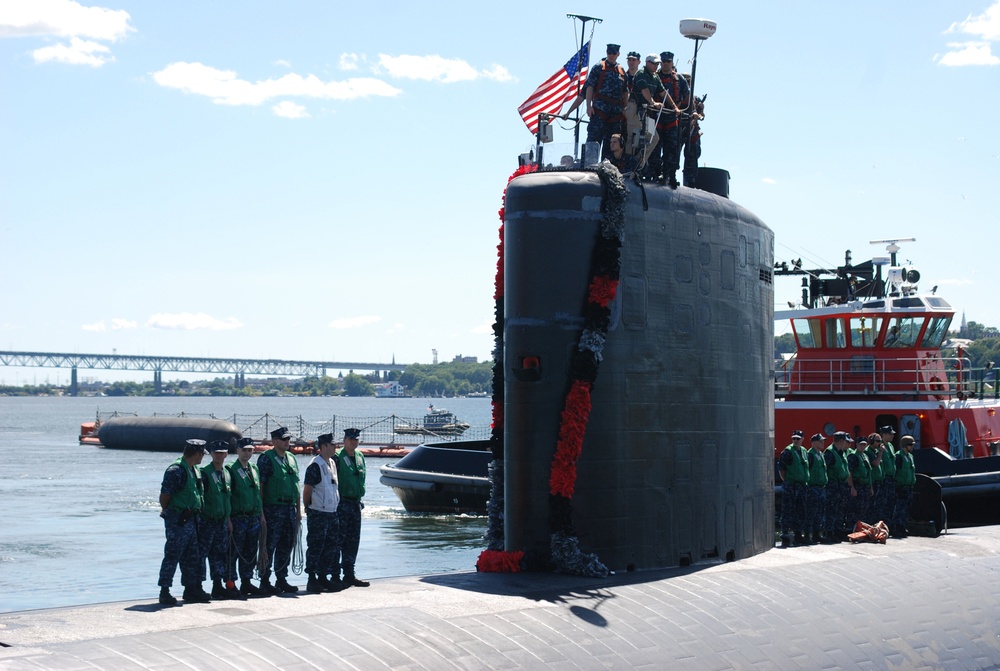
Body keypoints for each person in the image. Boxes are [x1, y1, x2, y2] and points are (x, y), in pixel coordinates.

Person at [157, 438, 211, 605]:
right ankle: (165, 590)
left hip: (191, 519)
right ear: (196, 453)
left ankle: (191, 589)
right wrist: (170, 512)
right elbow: (165, 496)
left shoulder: (193, 469)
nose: (203, 457)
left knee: (192, 557)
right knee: (173, 555)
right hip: (178, 520)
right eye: (202, 454)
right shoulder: (176, 470)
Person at [257, 426, 301, 594]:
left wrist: (298, 510)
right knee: (269, 546)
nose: (287, 442)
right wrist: (261, 513)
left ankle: (281, 579)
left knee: (287, 545)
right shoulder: (266, 459)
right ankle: (264, 579)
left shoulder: (291, 458)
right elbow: (261, 487)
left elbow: (296, 485)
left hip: (289, 509)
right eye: (283, 439)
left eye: (288, 439)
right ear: (274, 441)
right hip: (272, 509)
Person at [303, 433, 343, 593]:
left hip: (332, 513)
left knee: (330, 547)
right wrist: (308, 508)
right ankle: (312, 579)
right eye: (332, 445)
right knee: (316, 546)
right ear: (324, 446)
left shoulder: (332, 463)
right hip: (318, 513)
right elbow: (307, 490)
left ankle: (323, 577)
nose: (335, 447)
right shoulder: (315, 465)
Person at [200, 439, 239, 600]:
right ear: (211, 454)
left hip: (222, 521)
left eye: (222, 453)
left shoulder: (227, 474)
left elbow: (227, 499)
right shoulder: (204, 473)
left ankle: (217, 586)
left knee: (220, 555)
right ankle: (197, 586)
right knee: (202, 555)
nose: (219, 456)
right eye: (216, 453)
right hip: (207, 521)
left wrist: (229, 520)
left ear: (226, 454)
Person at [228, 436, 265, 597]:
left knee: (250, 552)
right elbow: (227, 496)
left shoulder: (254, 469)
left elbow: (258, 494)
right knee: (234, 552)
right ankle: (230, 583)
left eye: (250, 450)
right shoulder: (231, 469)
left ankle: (246, 581)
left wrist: (262, 515)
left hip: (254, 516)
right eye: (244, 450)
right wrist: (228, 519)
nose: (247, 453)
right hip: (238, 517)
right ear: (237, 450)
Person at [580, 43, 628, 159]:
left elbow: (625, 92)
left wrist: (624, 109)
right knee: (593, 141)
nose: (611, 55)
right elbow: (590, 87)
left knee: (611, 144)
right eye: (609, 53)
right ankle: (590, 166)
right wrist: (588, 106)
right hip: (599, 111)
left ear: (618, 54)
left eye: (614, 53)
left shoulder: (621, 71)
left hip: (615, 114)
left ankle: (606, 167)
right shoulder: (598, 67)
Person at [336, 427, 370, 587]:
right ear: (344, 440)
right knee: (338, 540)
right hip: (341, 504)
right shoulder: (337, 457)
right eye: (350, 439)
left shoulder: (360, 456)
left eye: (356, 439)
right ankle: (334, 575)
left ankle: (349, 574)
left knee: (353, 541)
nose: (353, 442)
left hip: (355, 503)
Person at [653, 51, 688, 187]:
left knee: (671, 149)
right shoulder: (655, 77)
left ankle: (670, 175)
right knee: (655, 148)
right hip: (657, 117)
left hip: (672, 119)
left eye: (668, 61)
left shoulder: (679, 79)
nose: (666, 64)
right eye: (664, 62)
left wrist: (677, 107)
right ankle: (655, 173)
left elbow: (686, 96)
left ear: (672, 63)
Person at [630, 54, 665, 177]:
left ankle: (639, 161)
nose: (656, 66)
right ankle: (629, 165)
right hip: (634, 108)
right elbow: (644, 91)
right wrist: (653, 103)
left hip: (646, 111)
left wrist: (675, 107)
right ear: (647, 63)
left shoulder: (655, 77)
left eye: (657, 64)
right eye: (654, 63)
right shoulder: (641, 74)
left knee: (654, 137)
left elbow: (663, 92)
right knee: (632, 137)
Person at [777, 430, 808, 547]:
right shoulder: (787, 452)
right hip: (791, 485)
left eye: (798, 439)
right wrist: (787, 481)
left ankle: (798, 534)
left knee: (801, 510)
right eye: (794, 438)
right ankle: (785, 533)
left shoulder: (804, 451)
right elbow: (781, 468)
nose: (795, 441)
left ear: (802, 439)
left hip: (801, 485)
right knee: (788, 510)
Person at [823, 432, 854, 543]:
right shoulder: (830, 453)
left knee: (840, 510)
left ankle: (838, 532)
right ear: (840, 441)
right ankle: (829, 533)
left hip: (841, 485)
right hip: (833, 485)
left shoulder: (842, 452)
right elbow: (825, 469)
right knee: (831, 509)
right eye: (845, 440)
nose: (846, 443)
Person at [803, 433, 828, 544]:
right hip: (813, 488)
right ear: (813, 443)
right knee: (811, 512)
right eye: (820, 441)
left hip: (821, 487)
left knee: (820, 513)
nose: (822, 443)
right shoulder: (810, 455)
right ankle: (808, 535)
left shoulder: (821, 454)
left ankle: (817, 534)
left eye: (823, 441)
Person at [892, 435, 917, 537]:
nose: (912, 447)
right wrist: (897, 486)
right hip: (901, 486)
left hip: (909, 486)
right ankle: (897, 528)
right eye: (910, 445)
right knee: (899, 508)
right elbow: (895, 471)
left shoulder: (910, 457)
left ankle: (903, 526)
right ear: (905, 445)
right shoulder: (899, 456)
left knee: (906, 508)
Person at [848, 435, 874, 526]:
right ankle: (853, 527)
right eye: (860, 444)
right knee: (856, 509)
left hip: (865, 486)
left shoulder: (865, 456)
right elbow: (849, 472)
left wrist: (871, 488)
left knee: (865, 509)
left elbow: (868, 473)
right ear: (857, 444)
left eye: (864, 444)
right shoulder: (853, 456)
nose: (862, 446)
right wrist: (852, 487)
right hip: (858, 485)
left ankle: (863, 528)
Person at [623, 51, 642, 155]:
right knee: (627, 139)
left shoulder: (642, 77)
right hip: (625, 111)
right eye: (629, 60)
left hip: (639, 112)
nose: (631, 62)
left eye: (633, 60)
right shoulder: (623, 76)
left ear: (639, 62)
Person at [878, 426, 898, 522]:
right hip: (884, 479)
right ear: (884, 434)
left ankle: (889, 523)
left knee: (890, 502)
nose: (892, 436)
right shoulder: (880, 446)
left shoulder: (890, 446)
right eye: (890, 434)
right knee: (883, 503)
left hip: (891, 479)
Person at [864, 432, 886, 523]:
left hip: (879, 481)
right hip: (872, 482)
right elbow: (875, 464)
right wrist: (880, 452)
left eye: (880, 441)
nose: (879, 443)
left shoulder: (876, 451)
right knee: (872, 505)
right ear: (872, 441)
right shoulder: (868, 451)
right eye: (877, 441)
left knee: (879, 506)